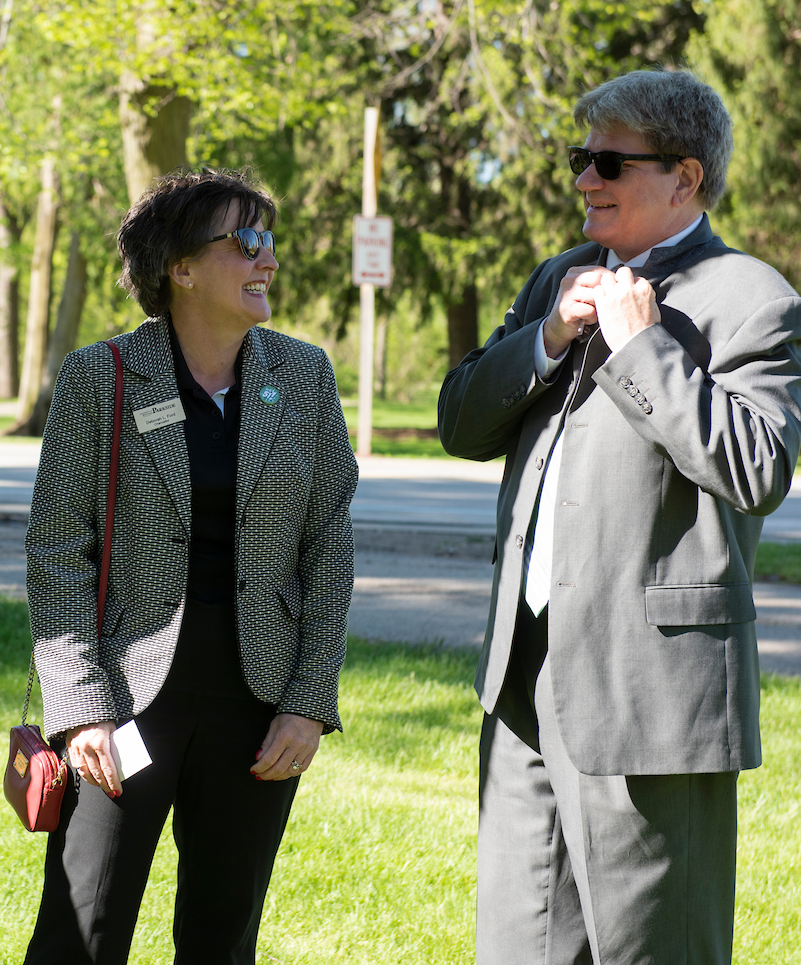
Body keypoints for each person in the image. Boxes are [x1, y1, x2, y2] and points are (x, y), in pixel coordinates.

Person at [438, 69, 801, 965]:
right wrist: (544, 338)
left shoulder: (752, 297)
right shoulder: (558, 278)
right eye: (579, 157)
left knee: (653, 950)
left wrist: (642, 348)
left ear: (682, 179)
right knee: (519, 946)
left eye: (608, 160)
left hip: (650, 693)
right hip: (522, 679)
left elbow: (755, 468)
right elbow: (459, 422)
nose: (583, 179)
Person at [24, 169, 358, 965]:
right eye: (245, 241)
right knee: (82, 928)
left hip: (258, 698)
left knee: (222, 933)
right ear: (179, 267)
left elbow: (329, 546)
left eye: (269, 240)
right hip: (123, 699)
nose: (266, 258)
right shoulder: (98, 376)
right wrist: (82, 709)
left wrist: (307, 703)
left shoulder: (303, 376)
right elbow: (55, 552)